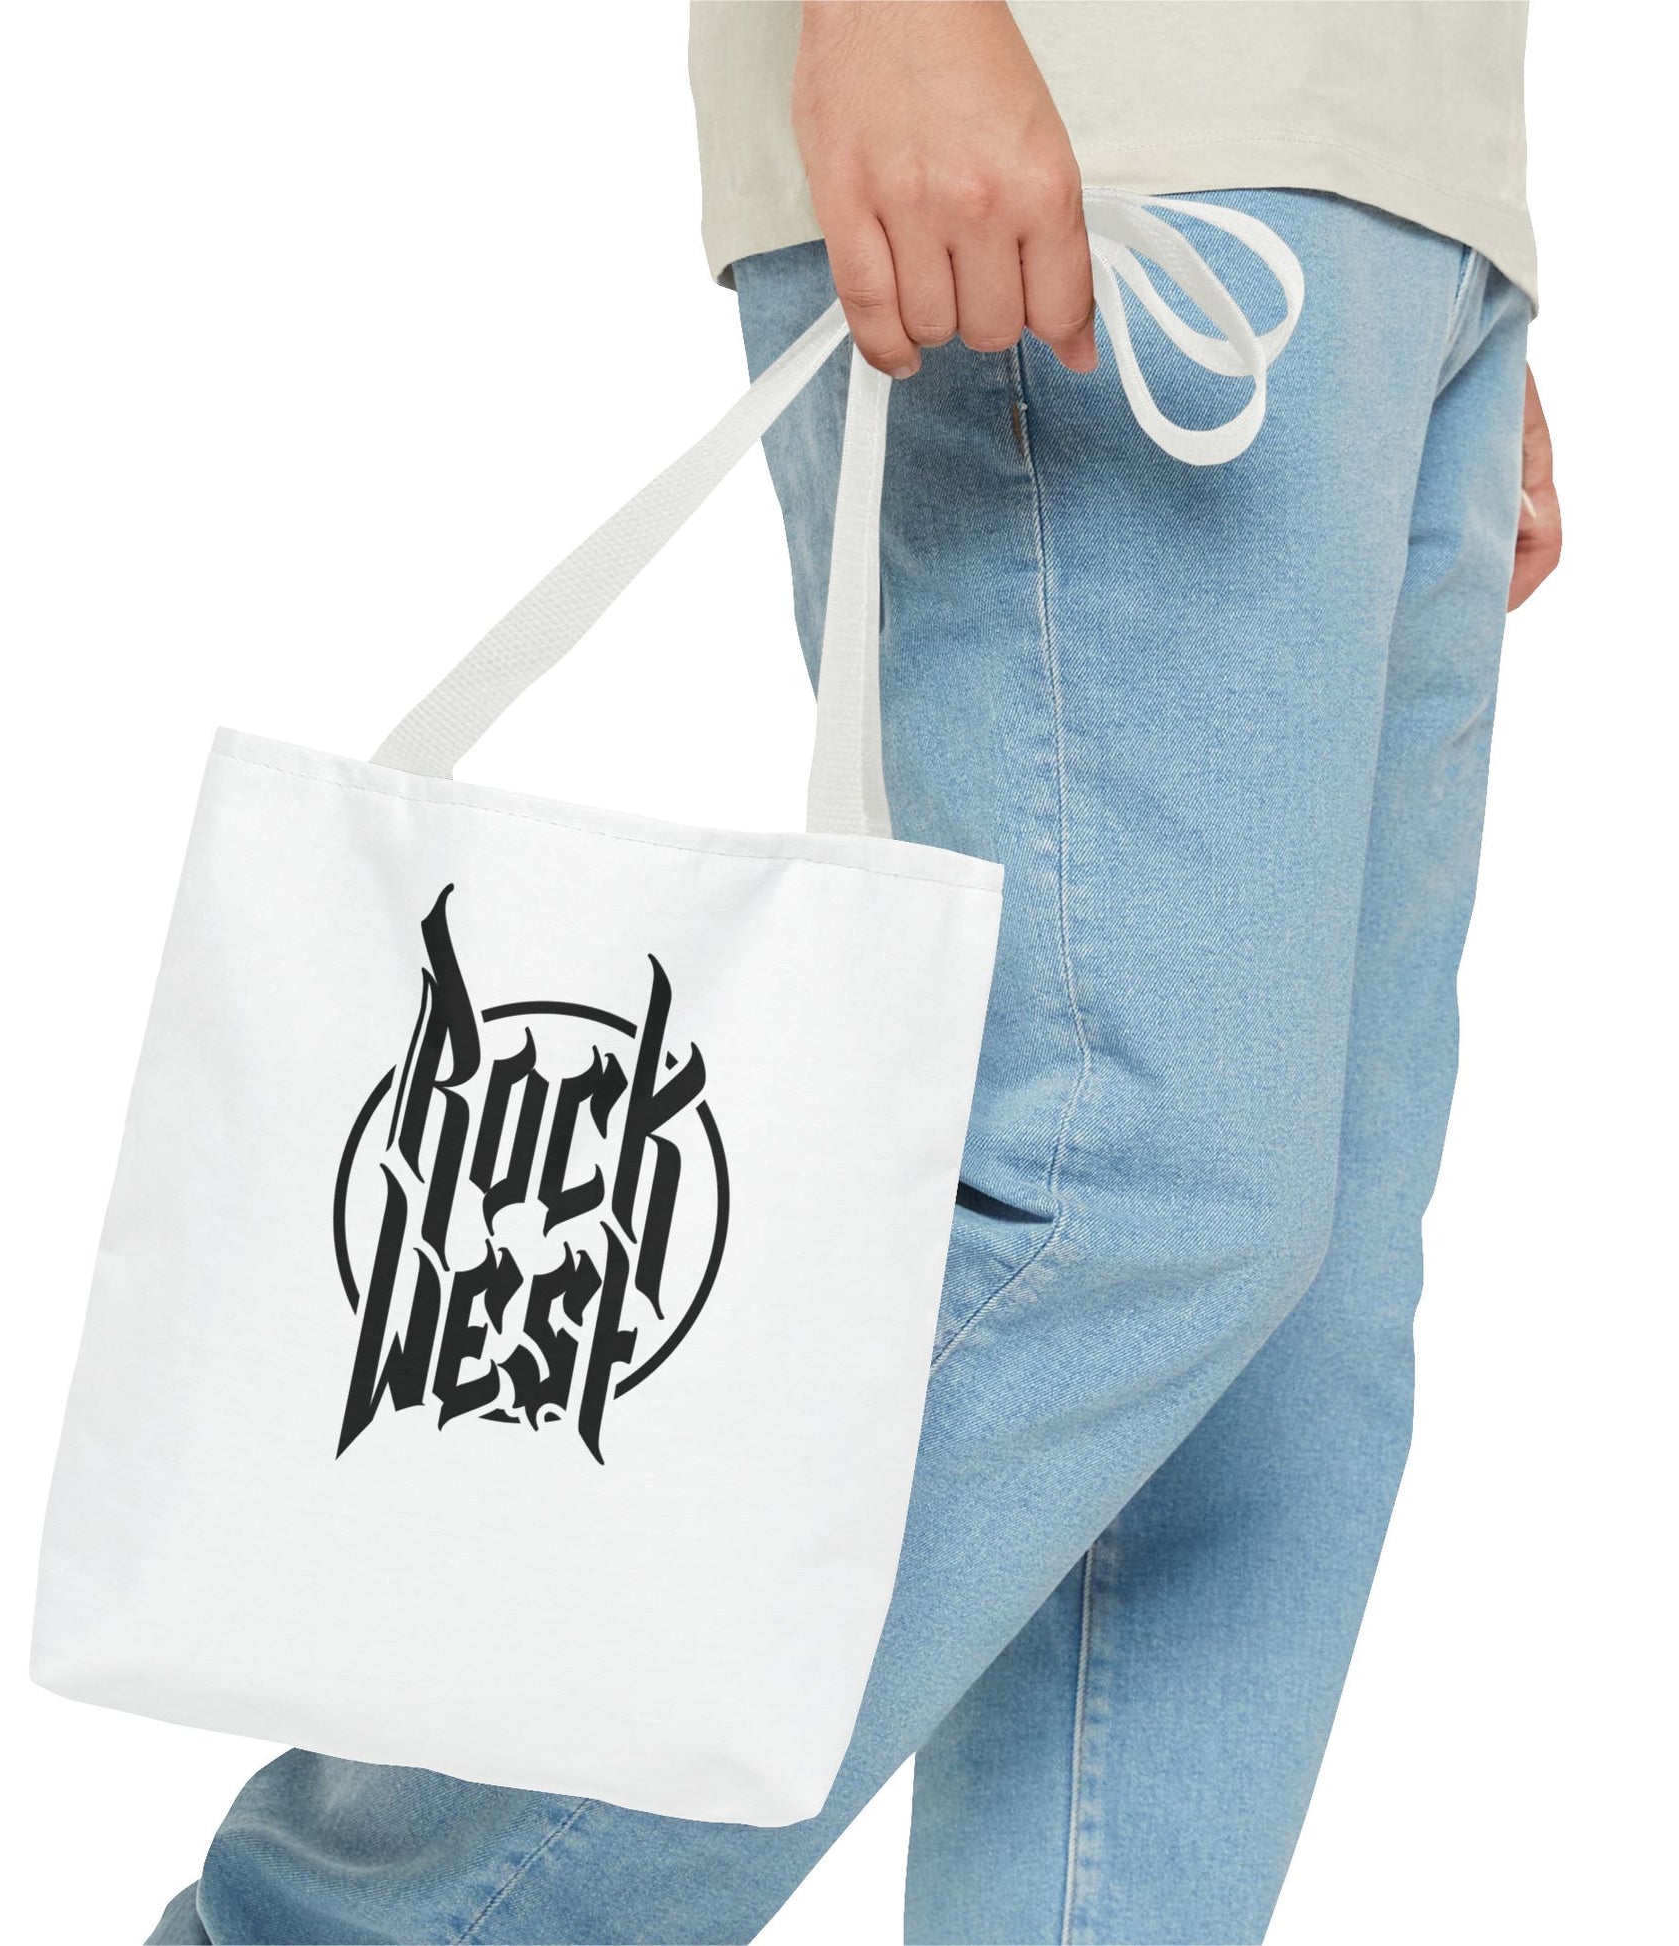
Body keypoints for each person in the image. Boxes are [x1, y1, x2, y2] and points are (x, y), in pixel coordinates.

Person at [148, 4, 1560, 1940]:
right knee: (1116, 1204)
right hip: (1112, 123)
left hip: (1386, 189)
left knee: (1276, 1363)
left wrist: (1441, 231)